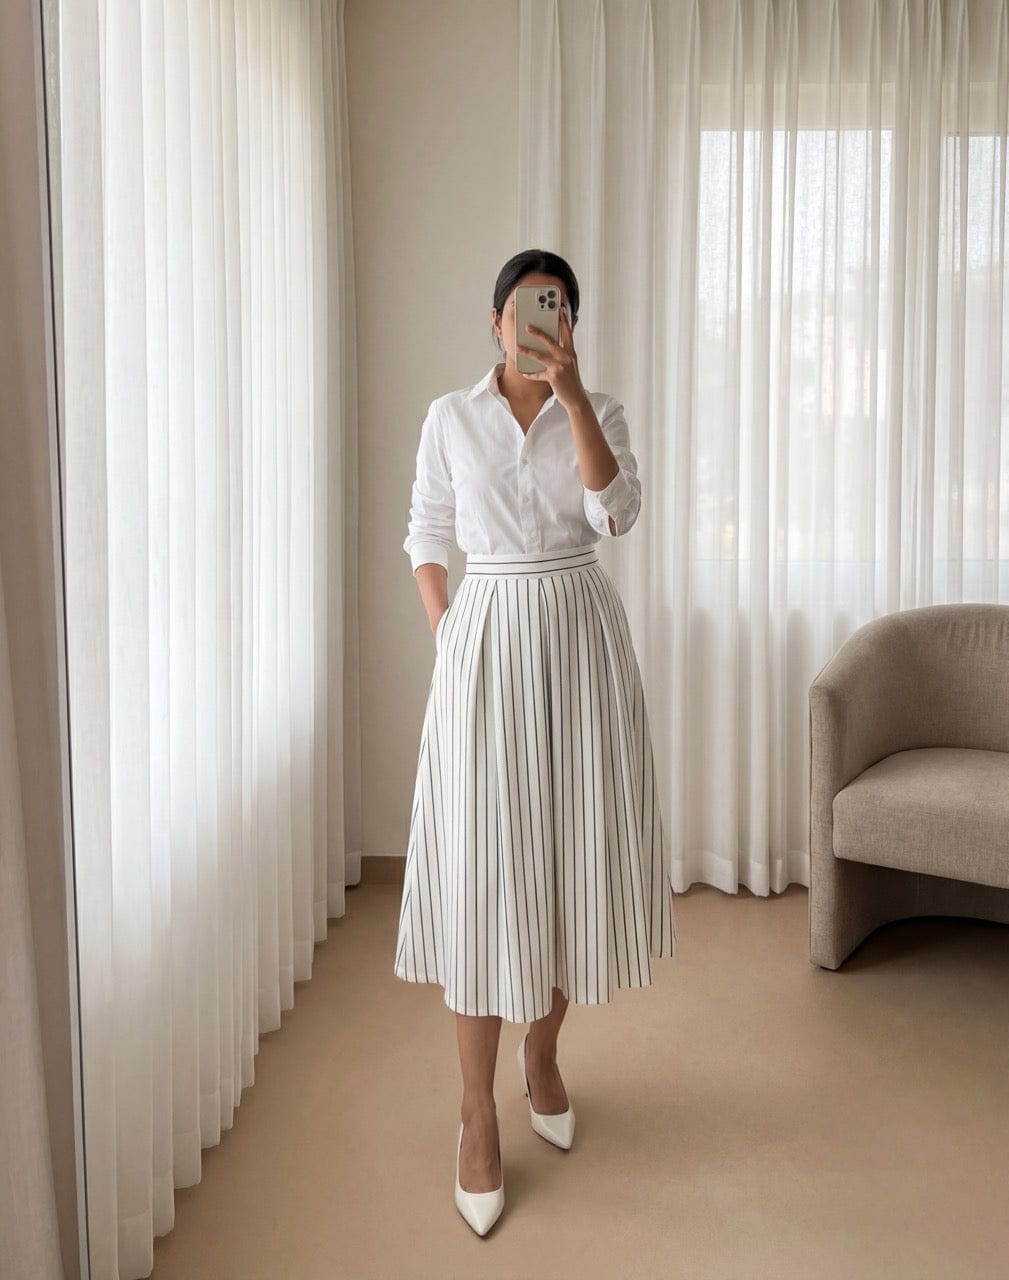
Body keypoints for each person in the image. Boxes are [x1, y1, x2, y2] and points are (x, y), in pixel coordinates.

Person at [394, 248, 677, 1235]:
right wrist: (447, 631)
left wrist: (572, 397)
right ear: (493, 318)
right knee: (484, 879)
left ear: (571, 323)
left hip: (579, 640)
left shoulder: (599, 410)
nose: (537, 325)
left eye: (555, 311)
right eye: (523, 310)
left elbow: (618, 510)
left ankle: (542, 1051)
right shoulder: (449, 416)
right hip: (484, 641)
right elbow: (425, 532)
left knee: (566, 862)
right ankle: (475, 1111)